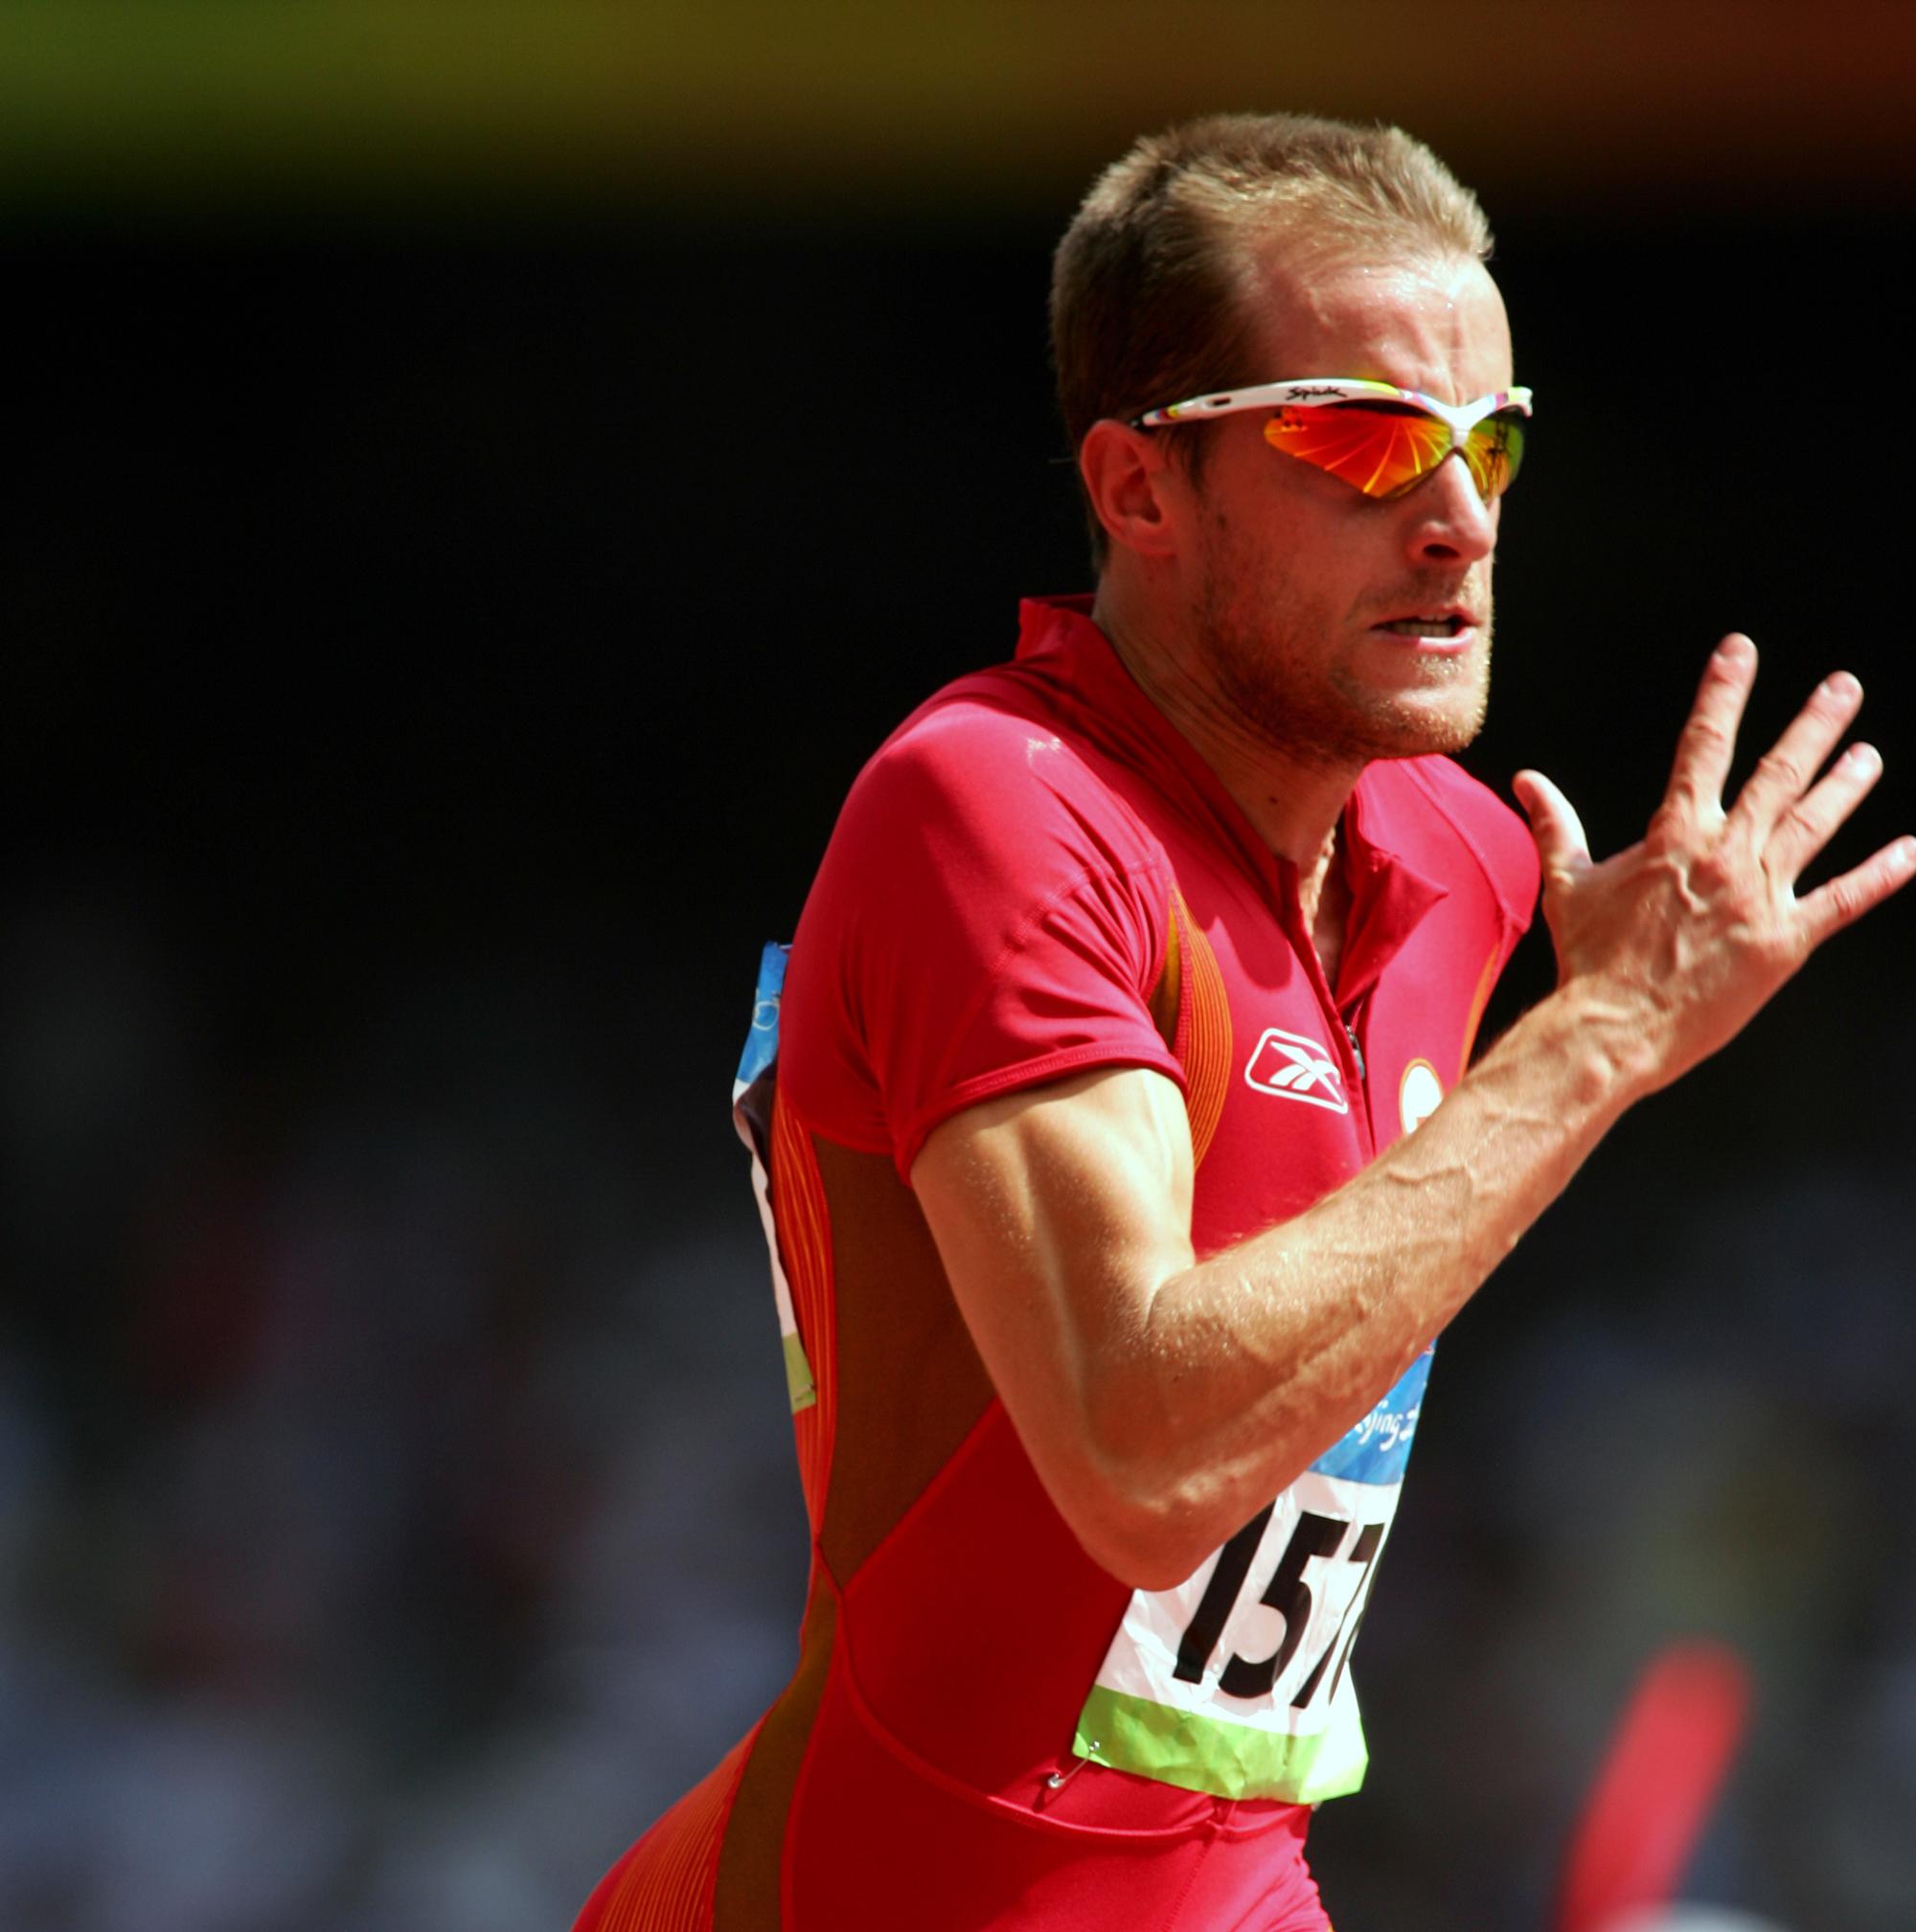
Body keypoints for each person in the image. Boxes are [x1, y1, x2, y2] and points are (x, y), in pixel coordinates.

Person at [573, 112, 1912, 1931]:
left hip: (1245, 1888)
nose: (1456, 516)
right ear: (1137, 489)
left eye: (1489, 443)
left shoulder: (1455, 855)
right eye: (1359, 436)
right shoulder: (991, 807)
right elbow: (1143, 1458)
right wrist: (1596, 1046)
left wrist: (1593, 1023)